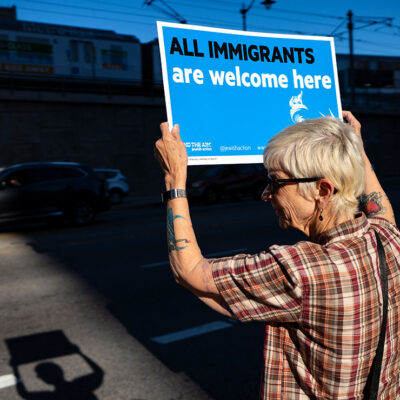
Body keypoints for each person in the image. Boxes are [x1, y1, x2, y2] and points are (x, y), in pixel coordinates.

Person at [154, 111, 400, 399]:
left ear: (322, 189)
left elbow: (191, 272)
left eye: (276, 182)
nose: (266, 194)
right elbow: (381, 209)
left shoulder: (303, 270)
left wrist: (175, 180)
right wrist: (355, 148)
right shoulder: (388, 237)